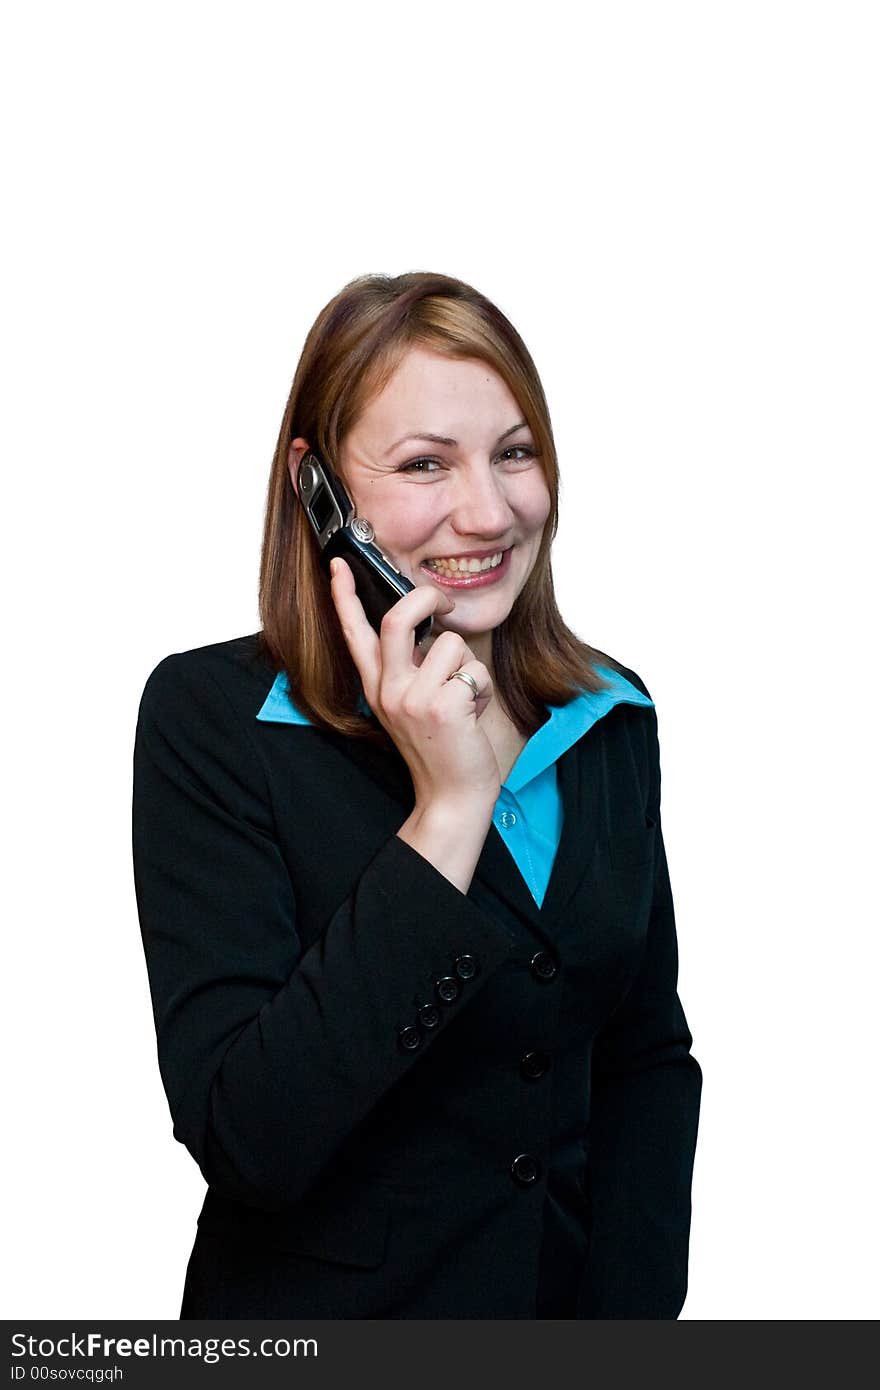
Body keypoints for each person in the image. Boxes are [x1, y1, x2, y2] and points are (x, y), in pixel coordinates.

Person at [131, 270, 702, 1320]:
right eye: (424, 464)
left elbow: (644, 1057)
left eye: (514, 452)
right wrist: (445, 810)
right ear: (318, 490)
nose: (488, 510)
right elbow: (250, 1137)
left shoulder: (608, 714)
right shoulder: (213, 720)